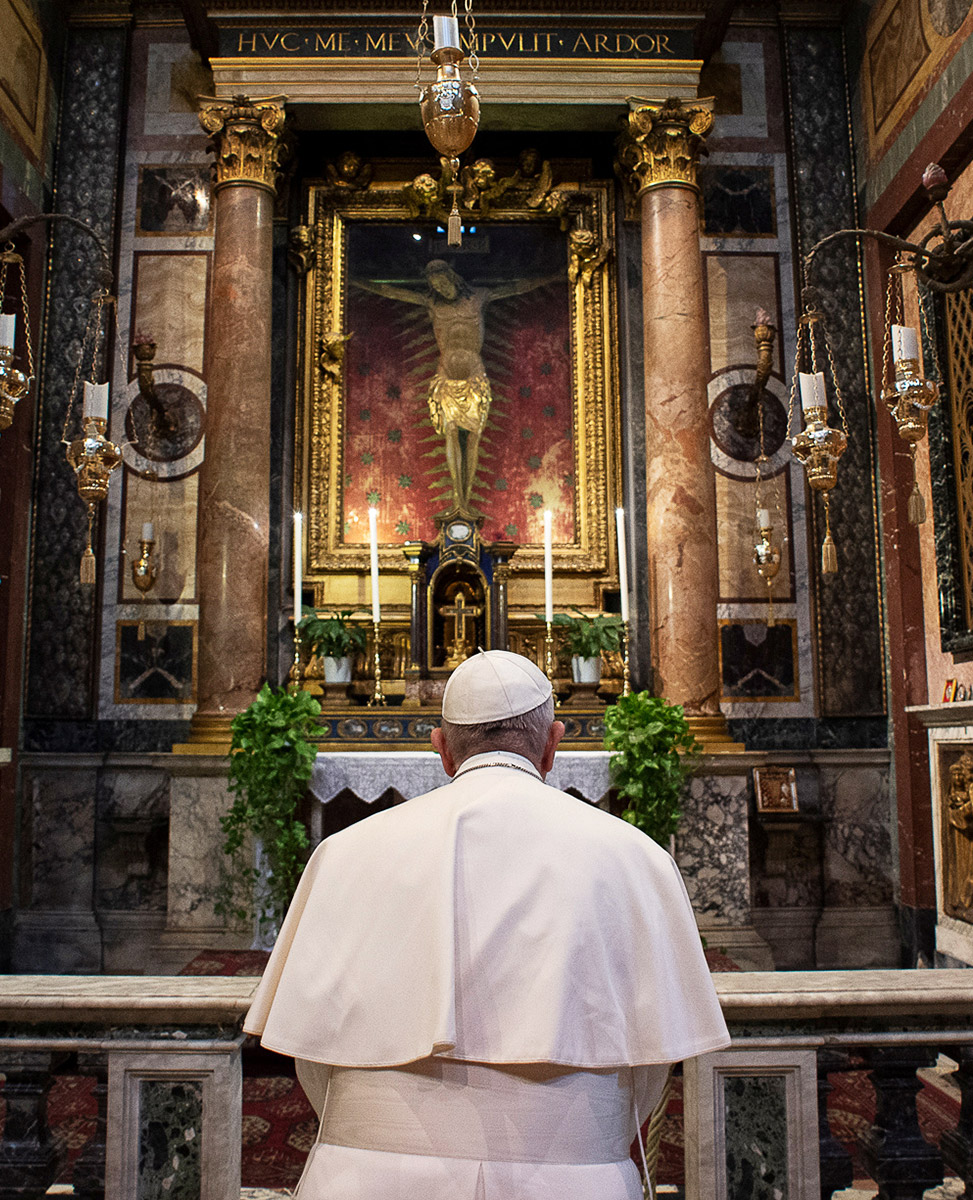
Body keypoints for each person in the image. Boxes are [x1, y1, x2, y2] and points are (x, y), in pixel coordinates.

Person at [245, 650, 728, 1198]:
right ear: (553, 745)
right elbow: (652, 1064)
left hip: (364, 1179)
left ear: (442, 749)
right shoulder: (636, 857)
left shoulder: (343, 854)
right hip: (571, 1176)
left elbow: (313, 1059)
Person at [353, 261, 561, 517]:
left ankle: (467, 499)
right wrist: (356, 281)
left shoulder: (479, 298)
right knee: (450, 434)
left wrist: (553, 276)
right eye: (436, 286)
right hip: (446, 373)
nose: (441, 289)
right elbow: (393, 292)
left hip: (474, 373)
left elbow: (517, 288)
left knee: (473, 438)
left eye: (443, 283)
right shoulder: (433, 304)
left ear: (453, 278)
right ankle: (456, 499)